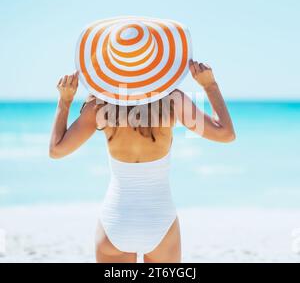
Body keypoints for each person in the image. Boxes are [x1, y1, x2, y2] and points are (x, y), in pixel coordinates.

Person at [49, 61, 235, 263]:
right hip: (159, 220)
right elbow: (225, 134)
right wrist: (210, 85)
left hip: (115, 220)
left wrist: (65, 100)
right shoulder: (172, 100)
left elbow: (56, 150)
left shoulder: (99, 104)